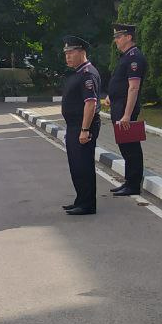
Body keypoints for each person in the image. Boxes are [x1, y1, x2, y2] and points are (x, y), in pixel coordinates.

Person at [60, 36, 101, 216]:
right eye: (66, 53)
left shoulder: (88, 75)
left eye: (71, 53)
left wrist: (84, 130)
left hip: (83, 126)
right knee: (76, 165)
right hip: (75, 126)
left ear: (82, 52)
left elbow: (90, 103)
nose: (67, 56)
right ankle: (80, 200)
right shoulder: (78, 73)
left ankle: (87, 204)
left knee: (83, 165)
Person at [107, 23, 147, 197]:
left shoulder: (134, 57)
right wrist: (111, 95)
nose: (116, 40)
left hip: (126, 108)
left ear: (129, 37)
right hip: (119, 105)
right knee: (124, 146)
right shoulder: (125, 56)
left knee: (131, 147)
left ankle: (134, 184)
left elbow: (133, 88)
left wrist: (127, 115)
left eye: (119, 36)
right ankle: (129, 181)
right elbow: (121, 82)